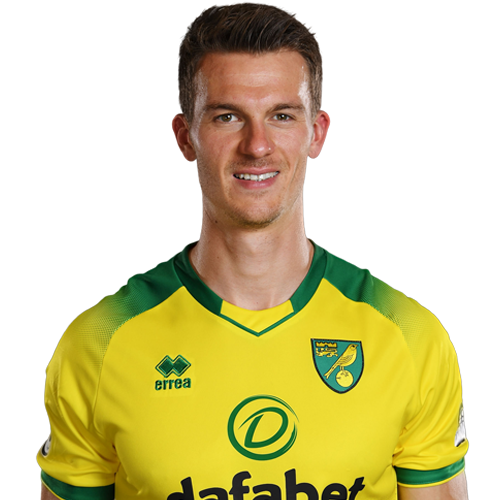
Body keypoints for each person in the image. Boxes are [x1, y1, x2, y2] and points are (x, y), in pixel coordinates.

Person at [38, 3, 469, 499]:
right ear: (185, 137)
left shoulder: (409, 337)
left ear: (317, 133)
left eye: (281, 116)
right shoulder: (100, 343)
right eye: (227, 117)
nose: (257, 145)